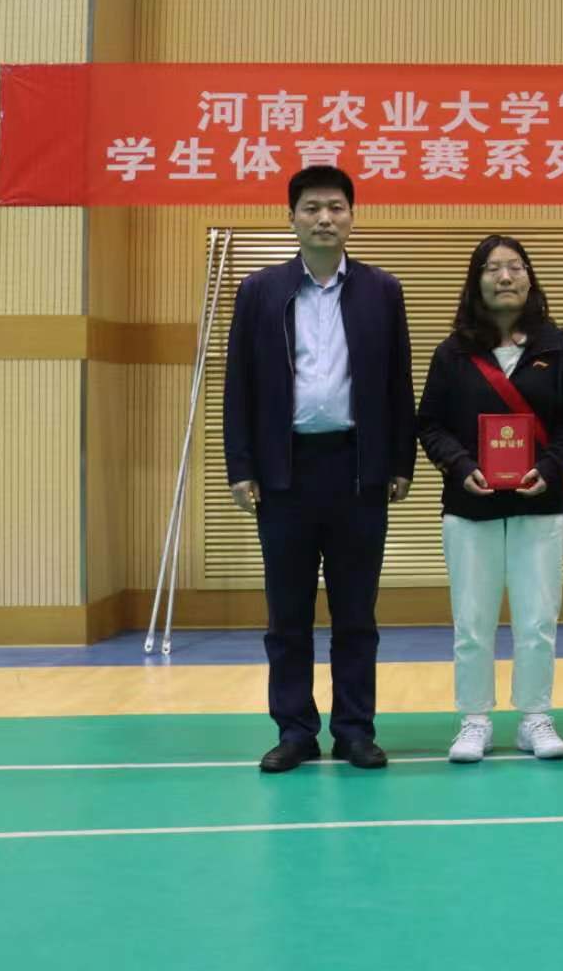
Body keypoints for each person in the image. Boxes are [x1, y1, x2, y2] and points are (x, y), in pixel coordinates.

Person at [223, 165, 415, 773]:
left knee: (356, 614)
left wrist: (401, 461)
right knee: (288, 616)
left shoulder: (382, 291)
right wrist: (240, 466)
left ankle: (355, 730)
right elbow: (238, 385)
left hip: (358, 470)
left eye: (336, 207)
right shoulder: (260, 291)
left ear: (352, 217)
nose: (324, 218)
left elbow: (398, 382)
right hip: (286, 472)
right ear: (292, 218)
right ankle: (295, 730)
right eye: (311, 208)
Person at [416, 235, 563, 762]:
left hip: (539, 505)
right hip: (470, 509)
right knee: (472, 623)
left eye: (515, 266)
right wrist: (461, 466)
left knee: (538, 621)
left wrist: (550, 468)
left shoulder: (556, 349)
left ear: (530, 278)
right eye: (492, 268)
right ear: (476, 282)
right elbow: (430, 424)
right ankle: (474, 720)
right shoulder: (451, 354)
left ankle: (535, 717)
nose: (505, 277)